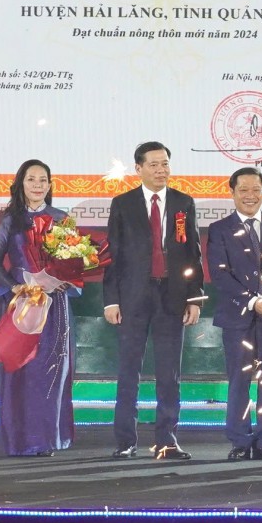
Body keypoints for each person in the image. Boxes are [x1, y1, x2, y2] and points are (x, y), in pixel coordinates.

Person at [103, 141, 204, 460]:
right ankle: (125, 441)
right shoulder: (122, 203)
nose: (162, 170)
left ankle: (167, 440)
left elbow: (193, 253)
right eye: (155, 165)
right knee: (128, 371)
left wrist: (194, 298)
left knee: (169, 373)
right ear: (139, 169)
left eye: (165, 164)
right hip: (132, 297)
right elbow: (113, 255)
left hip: (172, 296)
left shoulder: (183, 202)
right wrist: (111, 300)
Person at [0, 159, 76, 457]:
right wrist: (14, 287)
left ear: (50, 185)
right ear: (20, 184)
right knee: (20, 370)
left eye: (43, 180)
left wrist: (63, 280)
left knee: (49, 371)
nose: (37, 185)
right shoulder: (10, 221)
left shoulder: (61, 219)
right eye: (31, 179)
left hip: (54, 307)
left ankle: (47, 439)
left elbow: (75, 264)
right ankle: (20, 440)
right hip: (21, 305)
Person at [206, 167, 262, 462]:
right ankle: (240, 441)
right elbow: (220, 275)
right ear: (232, 193)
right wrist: (253, 301)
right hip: (237, 317)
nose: (250, 195)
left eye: (256, 189)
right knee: (239, 380)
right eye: (243, 190)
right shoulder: (219, 229)